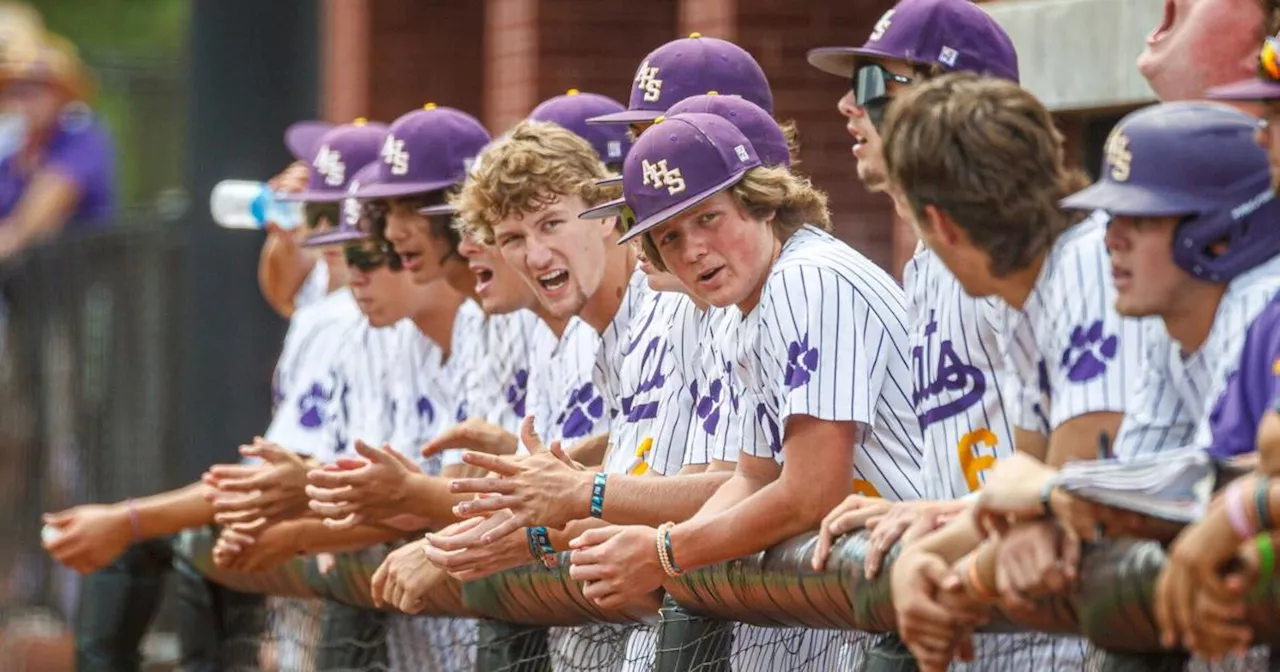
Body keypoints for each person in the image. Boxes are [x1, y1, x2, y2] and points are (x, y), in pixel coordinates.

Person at [561, 110, 921, 656]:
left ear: (763, 201)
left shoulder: (807, 279)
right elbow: (753, 477)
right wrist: (662, 556)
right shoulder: (751, 307)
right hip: (892, 597)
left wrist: (663, 551)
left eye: (708, 217)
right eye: (669, 236)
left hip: (951, 599)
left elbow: (811, 492)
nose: (693, 250)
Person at [40, 120, 380, 671]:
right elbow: (285, 289)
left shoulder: (353, 315)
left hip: (392, 593)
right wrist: (284, 230)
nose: (291, 189)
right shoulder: (335, 299)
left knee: (151, 547)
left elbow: (275, 481)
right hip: (367, 577)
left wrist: (128, 520)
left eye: (312, 190)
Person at [0, 27, 114, 259]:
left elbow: (23, 230)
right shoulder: (11, 148)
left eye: (37, 89)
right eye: (15, 90)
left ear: (63, 95)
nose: (24, 100)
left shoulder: (82, 139)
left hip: (77, 282)